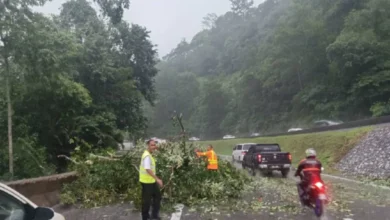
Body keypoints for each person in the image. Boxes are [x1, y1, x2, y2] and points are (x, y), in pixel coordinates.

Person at [139, 139, 163, 220]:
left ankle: (154, 215)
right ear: (148, 146)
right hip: (146, 182)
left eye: (154, 145)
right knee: (147, 201)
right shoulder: (146, 156)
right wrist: (158, 179)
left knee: (157, 197)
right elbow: (147, 169)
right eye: (152, 145)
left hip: (151, 181)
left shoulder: (150, 154)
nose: (154, 147)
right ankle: (145, 217)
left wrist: (158, 149)